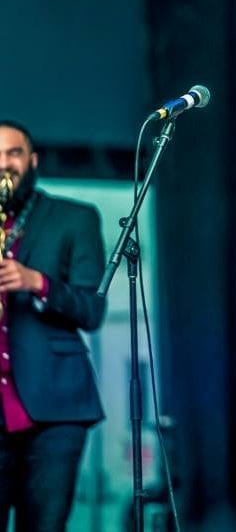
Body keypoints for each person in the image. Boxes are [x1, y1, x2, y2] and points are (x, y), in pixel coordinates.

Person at [0, 120, 106, 531]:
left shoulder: (74, 218)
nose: (4, 164)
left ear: (33, 161)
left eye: (14, 153)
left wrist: (37, 283)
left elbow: (92, 310)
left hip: (56, 411)